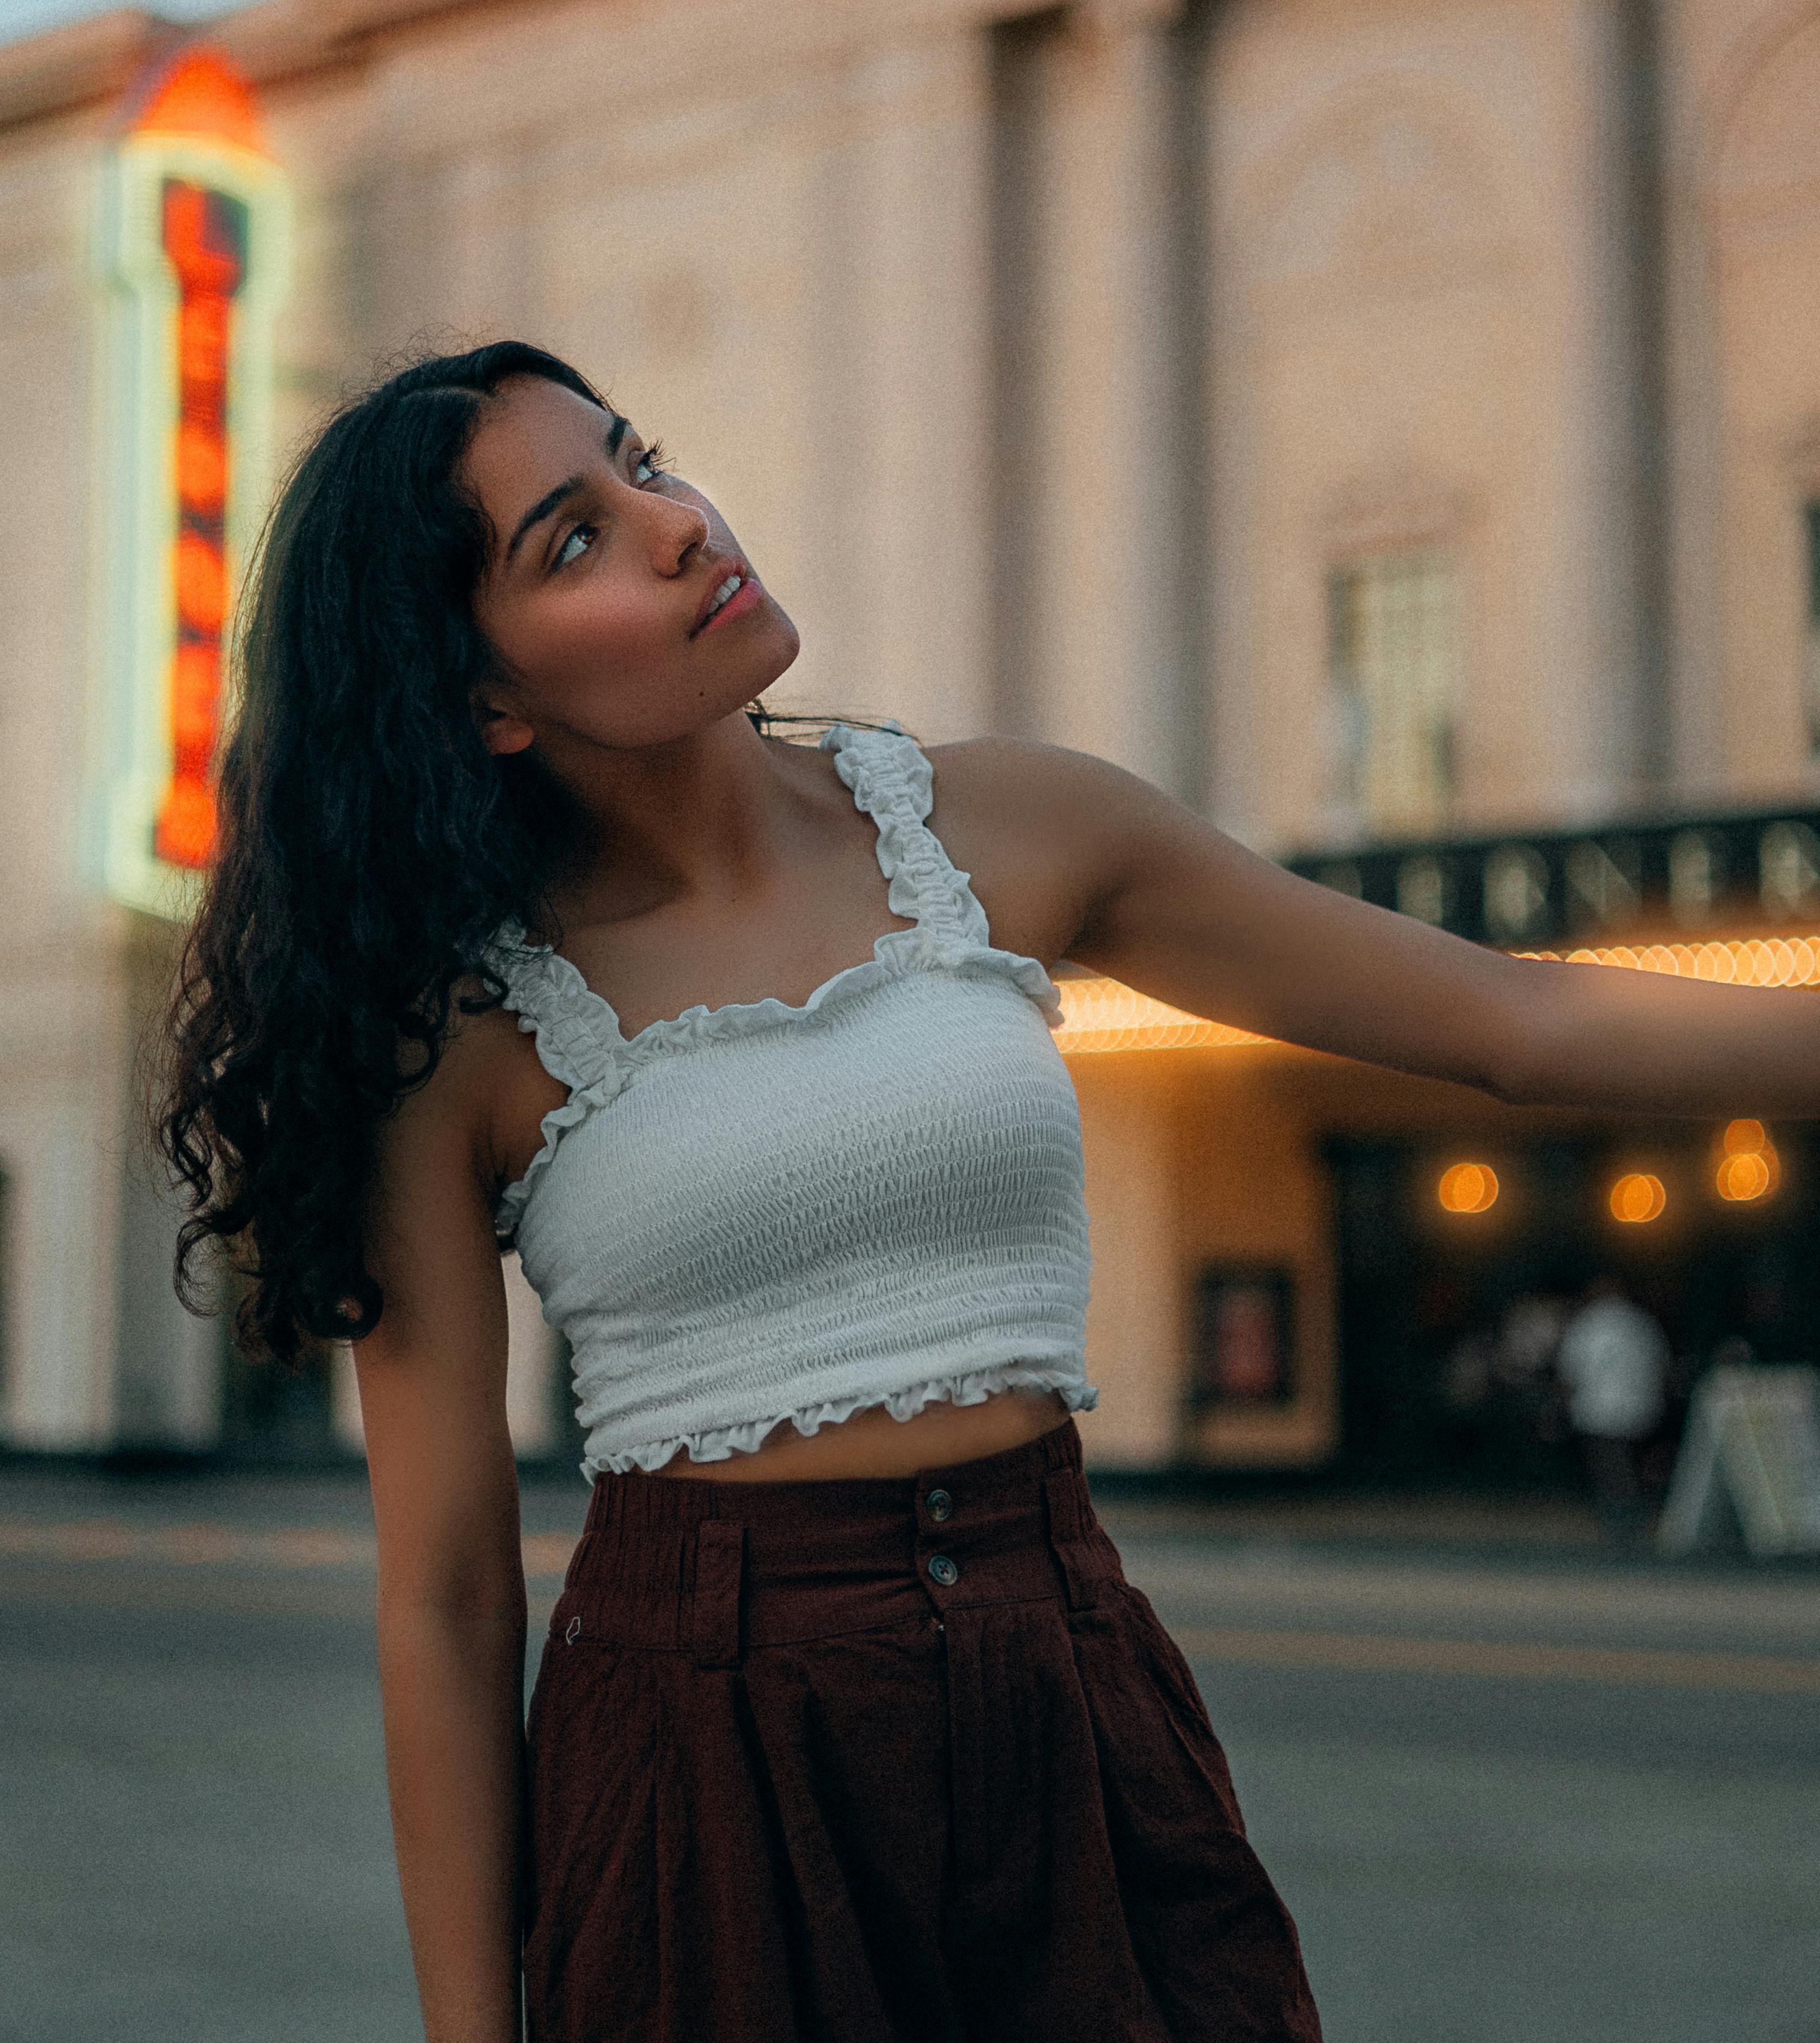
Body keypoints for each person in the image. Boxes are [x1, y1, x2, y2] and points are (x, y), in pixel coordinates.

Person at [157, 342, 1820, 2043]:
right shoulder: (458, 1032)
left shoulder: (1007, 822)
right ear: (484, 701)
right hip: (700, 1742)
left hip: (1066, 1677)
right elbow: (444, 1590)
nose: (672, 523)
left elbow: (1513, 1018)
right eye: (570, 539)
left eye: (643, 461)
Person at [1556, 1277, 1671, 1537]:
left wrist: (1563, 1408)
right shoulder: (1643, 1322)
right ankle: (1630, 1513)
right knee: (1630, 1464)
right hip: (1642, 1409)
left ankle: (1622, 1517)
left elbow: (1570, 1371)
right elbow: (1662, 1369)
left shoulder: (1588, 1323)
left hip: (1598, 1411)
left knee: (1610, 1466)